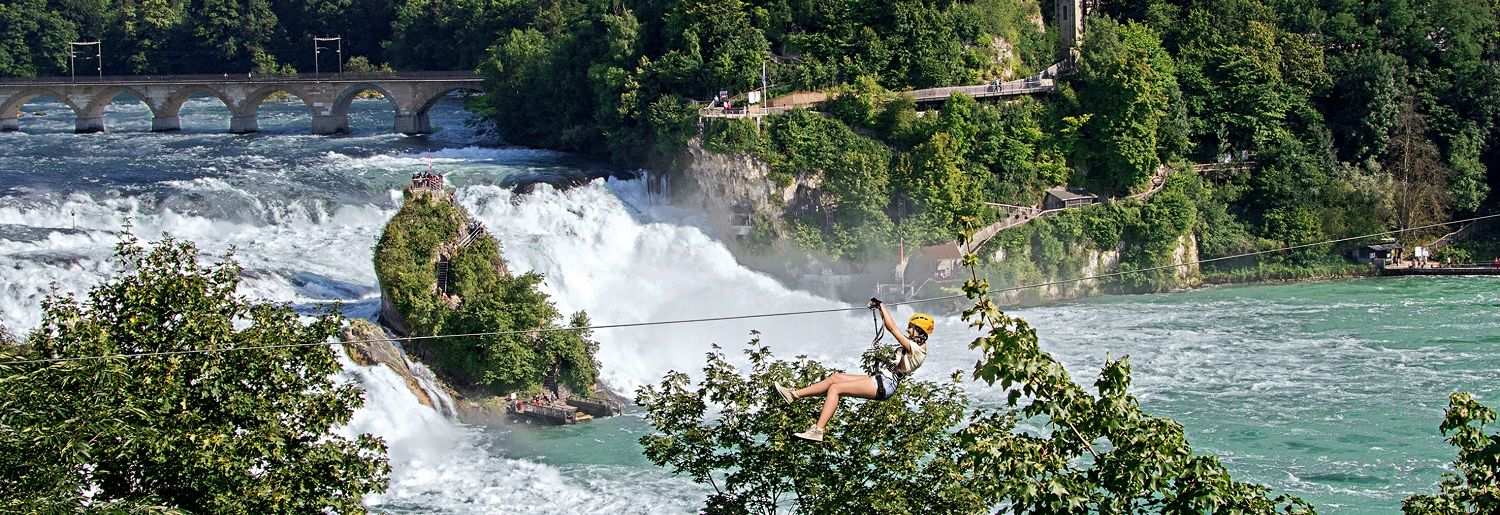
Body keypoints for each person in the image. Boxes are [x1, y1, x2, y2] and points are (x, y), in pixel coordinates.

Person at [774, 298, 935, 442]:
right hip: (881, 379)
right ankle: (793, 395)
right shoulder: (914, 345)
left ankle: (818, 430)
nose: (907, 330)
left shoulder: (917, 350)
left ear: (918, 331)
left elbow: (892, 329)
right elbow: (889, 326)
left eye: (910, 327)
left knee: (836, 389)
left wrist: (882, 305)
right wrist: (880, 309)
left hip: (885, 385)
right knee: (835, 378)